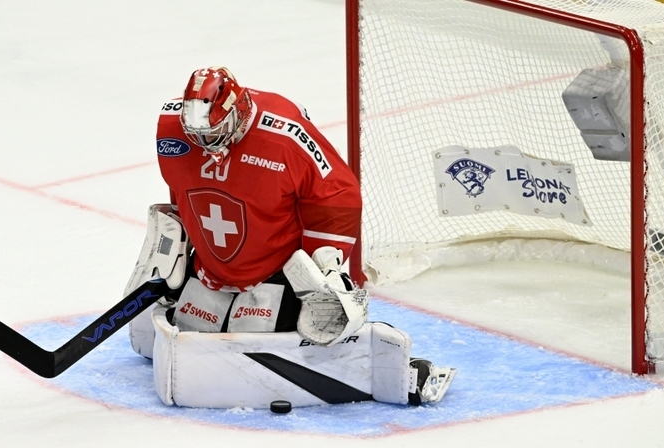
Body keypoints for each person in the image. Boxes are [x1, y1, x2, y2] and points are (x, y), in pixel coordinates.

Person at [125, 66, 454, 409]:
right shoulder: (172, 128)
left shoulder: (284, 132)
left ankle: (371, 358)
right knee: (191, 333)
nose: (206, 143)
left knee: (264, 342)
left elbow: (337, 193)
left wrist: (323, 269)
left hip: (275, 271)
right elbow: (184, 189)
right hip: (213, 267)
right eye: (198, 134)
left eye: (216, 131)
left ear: (237, 111)